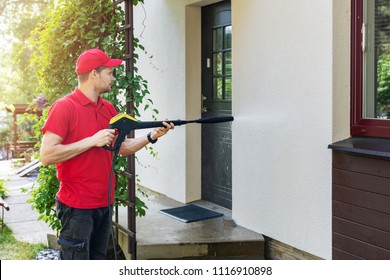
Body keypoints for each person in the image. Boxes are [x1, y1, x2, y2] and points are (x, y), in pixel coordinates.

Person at [40, 48, 174, 260]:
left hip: (104, 202)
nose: (113, 78)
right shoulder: (64, 107)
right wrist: (92, 141)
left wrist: (151, 136)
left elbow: (122, 146)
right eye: (109, 73)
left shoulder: (108, 109)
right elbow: (47, 155)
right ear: (94, 74)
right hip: (77, 208)